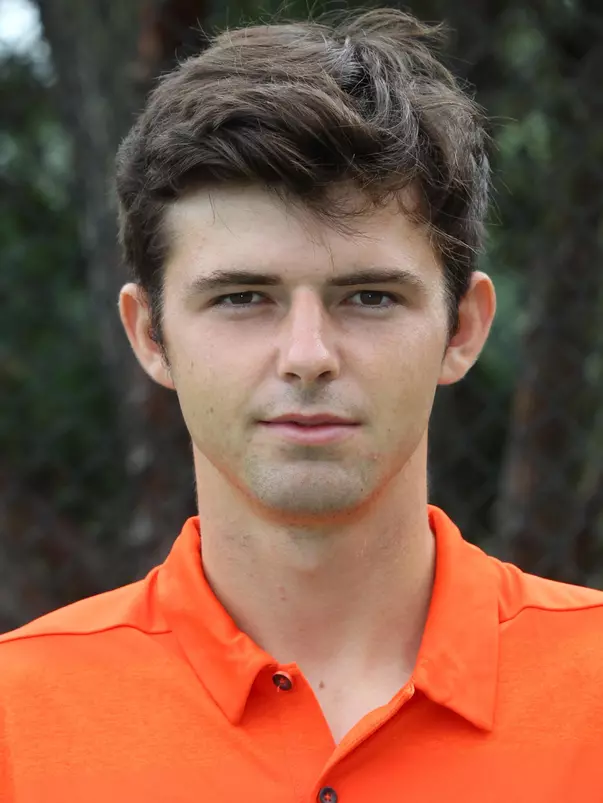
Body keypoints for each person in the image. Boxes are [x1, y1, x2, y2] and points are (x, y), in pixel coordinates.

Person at [2, 6, 603, 801]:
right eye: (244, 297)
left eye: (369, 297)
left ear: (461, 329)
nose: (308, 356)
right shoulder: (19, 718)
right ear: (148, 334)